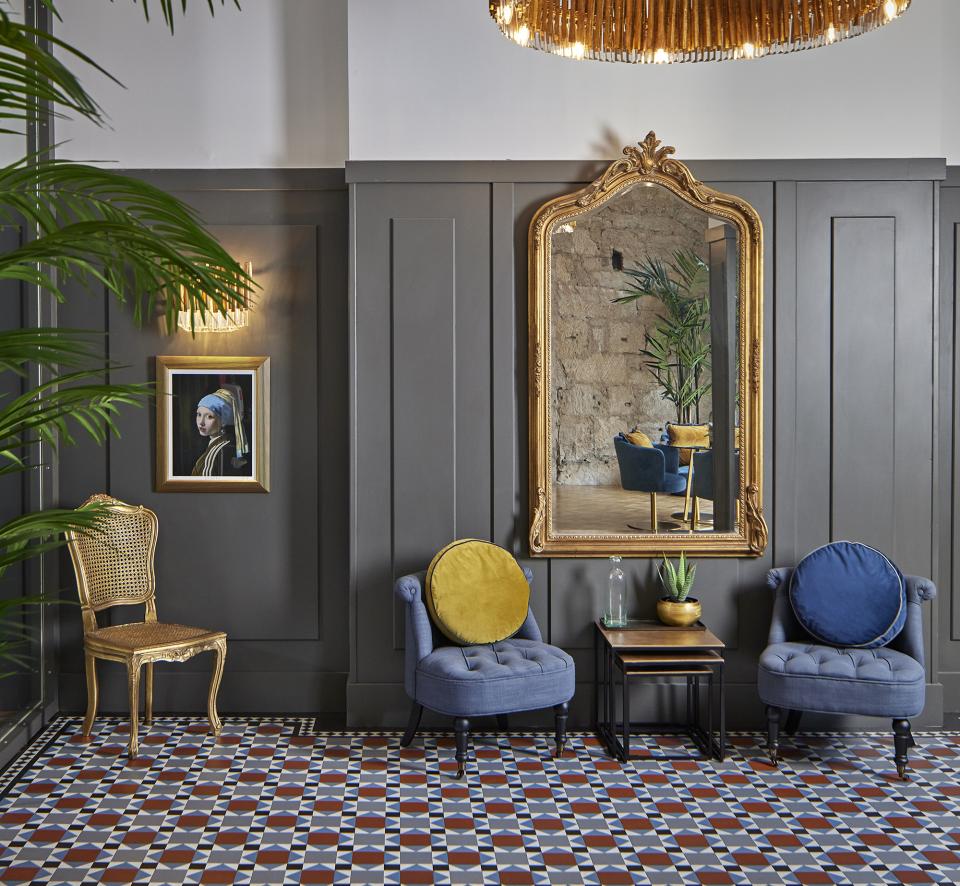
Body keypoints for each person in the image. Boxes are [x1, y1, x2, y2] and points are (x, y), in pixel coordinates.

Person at [191, 384, 251, 477]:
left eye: (209, 416)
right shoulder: (222, 444)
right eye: (199, 414)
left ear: (223, 421)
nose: (201, 422)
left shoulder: (219, 450)